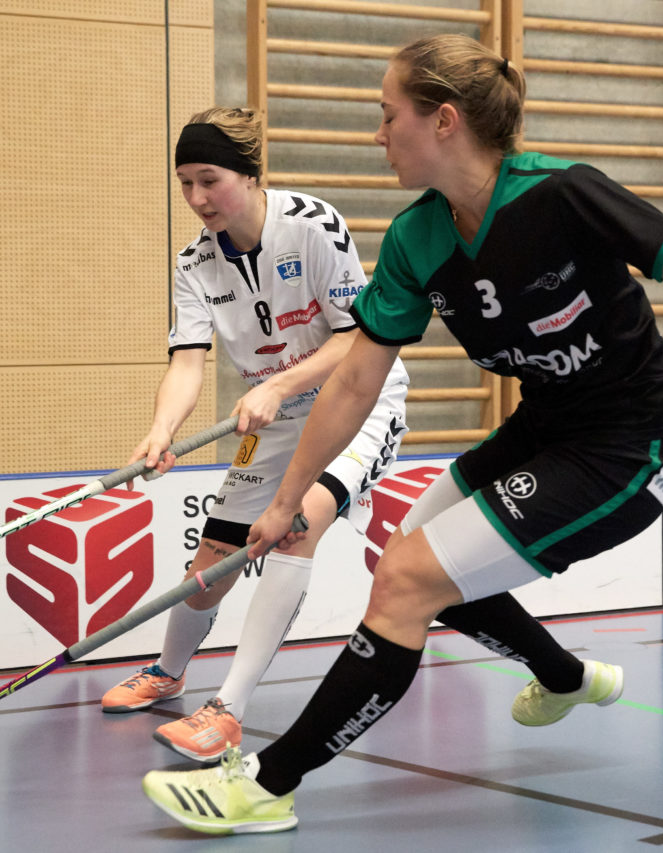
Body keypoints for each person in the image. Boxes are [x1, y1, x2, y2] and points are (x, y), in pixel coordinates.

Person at [141, 35, 663, 835]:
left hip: (628, 448)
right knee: (407, 553)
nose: (376, 135)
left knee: (410, 577)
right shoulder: (417, 239)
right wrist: (284, 501)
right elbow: (354, 383)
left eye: (387, 116)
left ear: (443, 121)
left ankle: (267, 784)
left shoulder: (562, 194)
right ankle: (563, 676)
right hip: (545, 427)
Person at [102, 107, 409, 763]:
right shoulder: (194, 263)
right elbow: (187, 360)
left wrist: (276, 384)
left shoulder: (313, 225)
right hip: (276, 416)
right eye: (185, 183)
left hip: (358, 398)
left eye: (209, 179)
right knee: (216, 555)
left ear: (248, 171)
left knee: (296, 523)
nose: (196, 198)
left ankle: (229, 709)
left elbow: (358, 341)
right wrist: (161, 430)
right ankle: (169, 670)